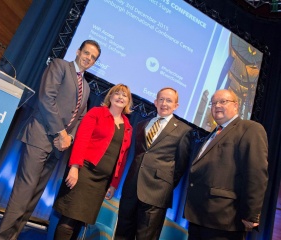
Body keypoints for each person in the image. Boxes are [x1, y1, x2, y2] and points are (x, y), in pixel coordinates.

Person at [0, 40, 101, 240]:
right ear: (78, 52)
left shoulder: (86, 87)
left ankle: (13, 236)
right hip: (40, 136)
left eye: (93, 57)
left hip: (58, 147)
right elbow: (46, 98)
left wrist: (69, 137)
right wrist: (61, 133)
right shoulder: (59, 65)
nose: (88, 58)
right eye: (86, 53)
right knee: (23, 193)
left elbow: (80, 118)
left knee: (34, 196)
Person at [52, 84, 133, 240]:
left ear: (128, 102)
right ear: (110, 96)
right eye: (117, 93)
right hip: (84, 173)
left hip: (101, 182)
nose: (120, 97)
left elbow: (122, 159)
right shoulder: (96, 113)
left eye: (125, 95)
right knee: (68, 219)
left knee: (79, 221)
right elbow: (81, 140)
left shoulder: (128, 127)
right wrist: (74, 167)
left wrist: (114, 183)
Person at [184, 89, 268, 240]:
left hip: (224, 219)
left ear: (236, 106)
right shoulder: (212, 134)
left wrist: (251, 214)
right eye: (214, 103)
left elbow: (256, 174)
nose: (217, 106)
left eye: (223, 101)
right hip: (198, 217)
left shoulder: (250, 129)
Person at [115, 87, 193, 240]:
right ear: (155, 102)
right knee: (122, 234)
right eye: (161, 99)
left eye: (169, 100)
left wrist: (163, 185)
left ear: (176, 106)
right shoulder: (142, 125)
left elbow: (180, 167)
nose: (164, 103)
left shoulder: (184, 131)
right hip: (131, 189)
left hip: (156, 195)